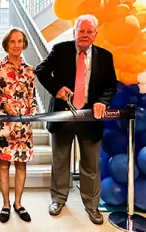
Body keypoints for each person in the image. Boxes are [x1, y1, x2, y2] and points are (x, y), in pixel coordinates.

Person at [34, 14, 118, 225]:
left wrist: (103, 102)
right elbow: (41, 70)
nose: (85, 35)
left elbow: (110, 85)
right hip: (63, 116)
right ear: (74, 32)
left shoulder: (106, 56)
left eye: (90, 31)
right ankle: (58, 199)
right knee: (60, 162)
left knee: (90, 165)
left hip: (91, 119)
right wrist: (56, 89)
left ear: (95, 34)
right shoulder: (60, 50)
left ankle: (91, 205)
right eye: (81, 31)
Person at [0, 28, 37, 223]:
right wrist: (3, 105)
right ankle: (6, 204)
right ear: (6, 44)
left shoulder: (30, 70)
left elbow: (32, 97)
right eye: (12, 42)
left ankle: (18, 203)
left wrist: (32, 112)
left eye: (19, 41)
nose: (16, 45)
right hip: (4, 123)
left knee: (21, 165)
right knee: (3, 165)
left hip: (24, 124)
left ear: (24, 44)